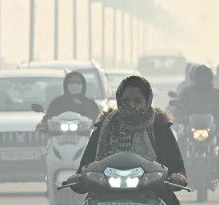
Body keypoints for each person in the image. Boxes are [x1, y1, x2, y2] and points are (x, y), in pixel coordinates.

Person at [68, 75, 187, 205]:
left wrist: (177, 177)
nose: (131, 105)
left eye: (137, 101)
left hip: (153, 194)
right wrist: (78, 178)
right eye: (126, 100)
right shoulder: (103, 128)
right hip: (104, 195)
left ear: (147, 102)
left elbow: (177, 167)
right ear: (119, 101)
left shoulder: (161, 129)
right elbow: (85, 167)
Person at [176, 65, 219, 182]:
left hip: (213, 126)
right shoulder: (187, 92)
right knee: (180, 139)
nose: (202, 79)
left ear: (210, 77)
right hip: (190, 126)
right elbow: (178, 107)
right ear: (194, 77)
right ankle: (181, 169)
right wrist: (177, 117)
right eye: (200, 76)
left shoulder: (217, 93)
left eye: (205, 76)